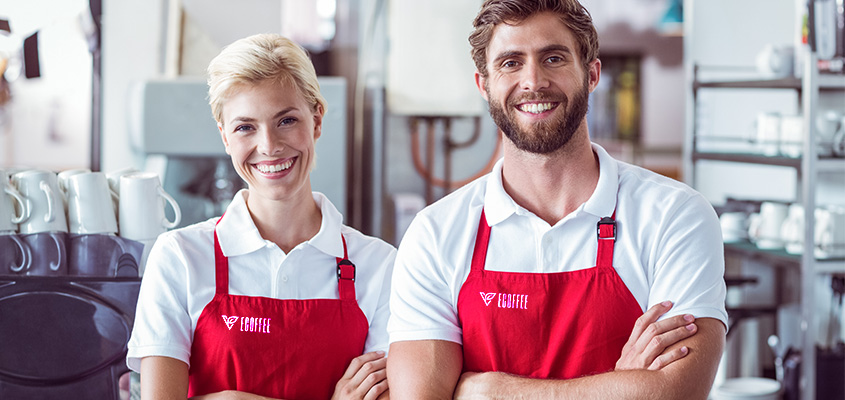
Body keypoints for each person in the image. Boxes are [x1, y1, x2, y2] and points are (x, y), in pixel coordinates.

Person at [386, 0, 728, 398]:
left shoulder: (675, 215)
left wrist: (491, 391)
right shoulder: (435, 233)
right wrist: (622, 386)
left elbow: (677, 392)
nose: (533, 80)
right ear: (483, 85)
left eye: (553, 58)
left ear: (592, 74)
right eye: (511, 63)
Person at [126, 33, 394, 400]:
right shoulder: (180, 257)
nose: (268, 145)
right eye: (245, 127)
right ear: (224, 136)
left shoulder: (378, 264)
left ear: (316, 120)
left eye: (286, 120)